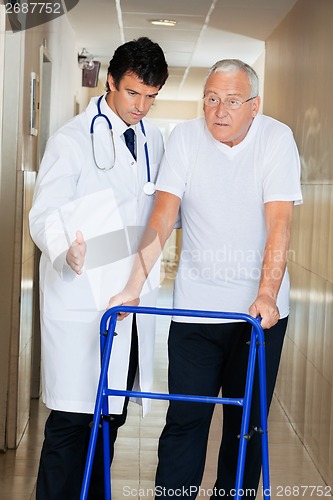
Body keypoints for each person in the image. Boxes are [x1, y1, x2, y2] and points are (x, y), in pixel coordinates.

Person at [108, 59, 302, 498]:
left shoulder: (276, 139)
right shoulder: (185, 139)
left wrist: (267, 294)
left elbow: (279, 224)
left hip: (258, 319)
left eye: (231, 101)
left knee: (246, 426)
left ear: (254, 105)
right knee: (185, 420)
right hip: (196, 312)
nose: (219, 111)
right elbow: (162, 216)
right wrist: (133, 286)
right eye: (211, 99)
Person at [29, 37, 168, 500]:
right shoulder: (71, 140)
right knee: (70, 426)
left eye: (151, 96)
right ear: (110, 81)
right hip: (81, 297)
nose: (142, 106)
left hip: (127, 303)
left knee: (110, 421)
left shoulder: (154, 140)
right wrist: (65, 249)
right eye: (133, 93)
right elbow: (43, 214)